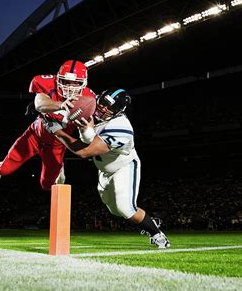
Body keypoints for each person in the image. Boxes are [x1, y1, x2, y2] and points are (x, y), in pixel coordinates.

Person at [47, 88, 170, 249]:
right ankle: (149, 220)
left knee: (125, 208)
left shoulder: (121, 127)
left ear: (117, 111)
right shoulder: (89, 106)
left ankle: (157, 234)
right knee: (115, 211)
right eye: (103, 103)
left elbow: (85, 152)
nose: (103, 108)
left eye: (109, 107)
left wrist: (57, 132)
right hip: (104, 170)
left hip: (123, 167)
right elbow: (62, 107)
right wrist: (45, 111)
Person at [0, 60, 95, 196]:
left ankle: (60, 167)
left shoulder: (88, 99)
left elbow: (89, 132)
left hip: (56, 144)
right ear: (58, 79)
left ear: (84, 82)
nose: (70, 87)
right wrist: (61, 105)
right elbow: (39, 104)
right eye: (66, 82)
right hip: (35, 134)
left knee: (46, 185)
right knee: (6, 168)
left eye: (76, 83)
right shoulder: (47, 83)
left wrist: (86, 130)